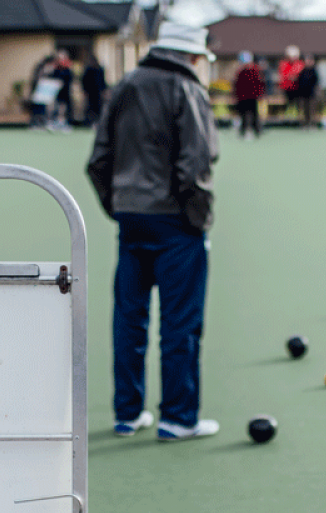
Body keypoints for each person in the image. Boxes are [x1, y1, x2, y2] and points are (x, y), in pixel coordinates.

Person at [87, 21, 220, 441]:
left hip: (130, 216)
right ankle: (178, 418)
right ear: (193, 57)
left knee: (129, 316)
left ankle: (127, 413)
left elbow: (98, 159)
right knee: (180, 321)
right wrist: (199, 220)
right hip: (175, 220)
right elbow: (197, 163)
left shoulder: (125, 85)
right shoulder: (188, 89)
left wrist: (118, 205)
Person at [233, 51, 265, 139]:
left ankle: (257, 130)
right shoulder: (240, 71)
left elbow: (260, 83)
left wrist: (260, 94)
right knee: (243, 114)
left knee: (254, 114)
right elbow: (237, 85)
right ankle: (244, 131)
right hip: (242, 97)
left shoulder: (255, 70)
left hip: (253, 96)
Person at [50, 49, 73, 130]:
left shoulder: (68, 69)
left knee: (63, 108)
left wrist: (62, 83)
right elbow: (52, 78)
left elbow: (69, 80)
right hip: (56, 93)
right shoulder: (55, 69)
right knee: (55, 107)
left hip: (65, 93)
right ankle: (55, 122)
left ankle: (62, 123)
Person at [81, 54, 107, 126]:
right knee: (90, 108)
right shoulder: (88, 70)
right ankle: (89, 122)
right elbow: (84, 81)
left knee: (98, 108)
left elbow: (102, 81)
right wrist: (85, 91)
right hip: (90, 92)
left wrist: (104, 90)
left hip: (98, 92)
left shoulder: (100, 69)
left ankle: (98, 122)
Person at [278, 45, 304, 117]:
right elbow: (283, 75)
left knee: (299, 105)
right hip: (288, 88)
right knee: (289, 104)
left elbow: (301, 75)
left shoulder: (300, 64)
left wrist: (295, 77)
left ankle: (299, 117)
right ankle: (289, 118)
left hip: (298, 88)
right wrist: (291, 77)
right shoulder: (284, 64)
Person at [296, 55, 319, 128]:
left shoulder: (314, 71)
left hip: (312, 94)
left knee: (312, 110)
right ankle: (304, 124)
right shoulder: (302, 71)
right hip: (303, 94)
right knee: (303, 110)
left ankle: (312, 124)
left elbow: (316, 82)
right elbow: (299, 81)